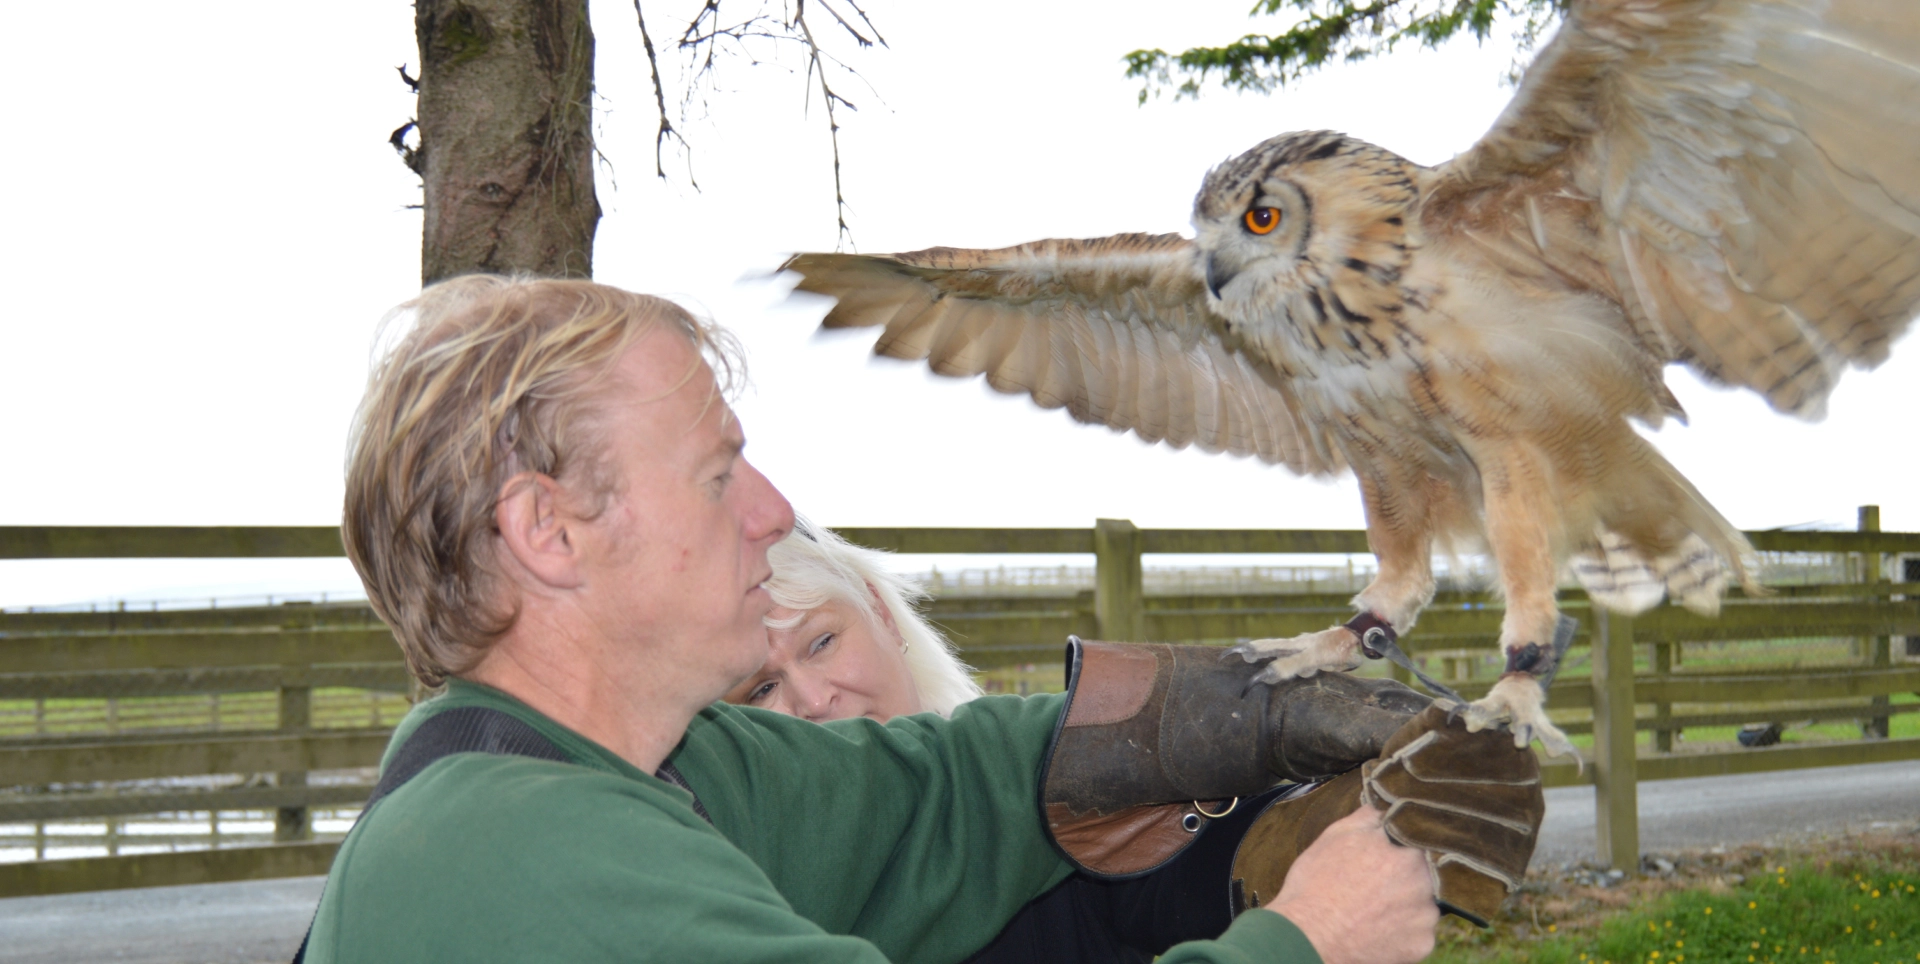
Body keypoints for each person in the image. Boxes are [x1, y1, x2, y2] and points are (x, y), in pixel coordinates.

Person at [305, 274, 1522, 963]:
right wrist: (1309, 946)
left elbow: (935, 793)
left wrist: (1249, 717)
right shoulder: (526, 861)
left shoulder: (647, 765)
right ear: (550, 531)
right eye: (720, 474)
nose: (772, 512)